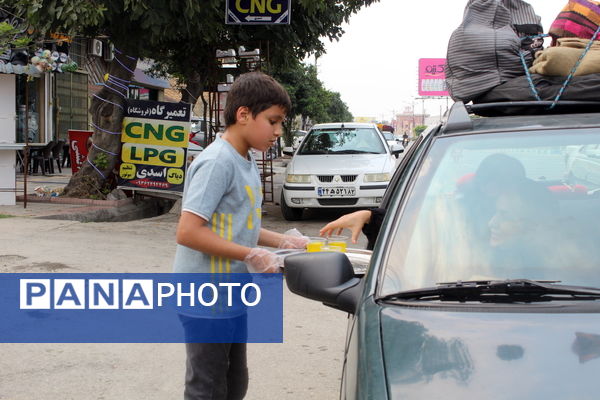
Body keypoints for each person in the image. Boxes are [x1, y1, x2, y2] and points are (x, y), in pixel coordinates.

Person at [172, 71, 307, 400]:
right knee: (207, 387)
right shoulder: (218, 162)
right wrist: (249, 254)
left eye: (281, 123)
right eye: (273, 121)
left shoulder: (245, 161)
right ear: (243, 114)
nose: (277, 131)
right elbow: (188, 232)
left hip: (231, 293)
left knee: (234, 383)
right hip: (205, 295)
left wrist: (282, 242)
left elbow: (238, 222)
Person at [319, 153, 528, 250]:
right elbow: (419, 225)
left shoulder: (548, 251)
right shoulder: (463, 217)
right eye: (487, 183)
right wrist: (369, 216)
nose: (494, 223)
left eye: (504, 185)